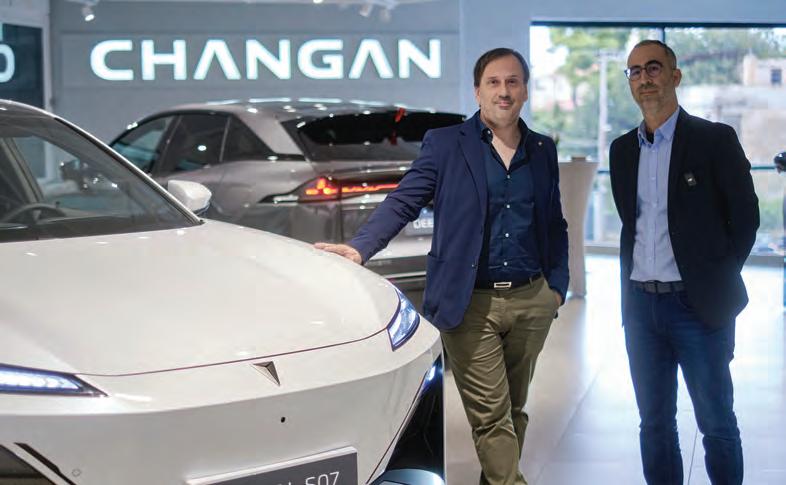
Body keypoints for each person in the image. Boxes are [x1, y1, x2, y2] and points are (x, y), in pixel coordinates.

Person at [316, 47, 568, 485]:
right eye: (493, 82)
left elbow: (554, 222)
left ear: (525, 91)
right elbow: (404, 200)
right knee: (491, 416)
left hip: (531, 299)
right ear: (477, 91)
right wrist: (360, 249)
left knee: (513, 410)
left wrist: (556, 287)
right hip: (468, 303)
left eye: (512, 82)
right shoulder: (447, 144)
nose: (503, 91)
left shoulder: (542, 149)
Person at [609, 39, 759, 485]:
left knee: (716, 423)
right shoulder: (622, 150)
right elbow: (631, 223)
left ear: (675, 76)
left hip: (699, 310)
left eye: (653, 68)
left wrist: (714, 278)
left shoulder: (714, 140)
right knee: (654, 426)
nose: (644, 78)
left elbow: (745, 219)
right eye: (635, 71)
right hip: (641, 309)